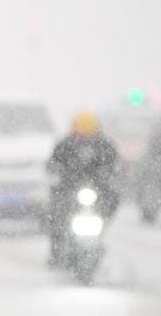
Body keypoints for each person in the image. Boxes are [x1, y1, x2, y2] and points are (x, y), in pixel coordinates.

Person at [46, 110, 120, 266]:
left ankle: (100, 234)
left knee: (110, 203)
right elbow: (53, 163)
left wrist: (108, 177)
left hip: (98, 192)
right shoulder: (65, 145)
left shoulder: (104, 146)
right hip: (70, 190)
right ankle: (57, 250)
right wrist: (59, 175)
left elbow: (115, 166)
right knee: (57, 215)